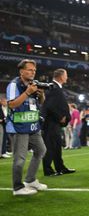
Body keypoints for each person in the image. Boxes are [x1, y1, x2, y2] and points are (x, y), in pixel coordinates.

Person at [6, 59, 48, 195]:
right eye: (30, 70)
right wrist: (27, 92)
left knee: (41, 150)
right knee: (19, 159)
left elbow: (40, 103)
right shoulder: (14, 85)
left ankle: (30, 180)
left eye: (34, 70)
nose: (33, 72)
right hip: (19, 126)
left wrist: (41, 95)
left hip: (32, 125)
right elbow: (12, 104)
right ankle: (17, 188)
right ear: (21, 71)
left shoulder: (33, 84)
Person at [41, 69, 76, 176]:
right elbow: (49, 105)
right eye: (66, 75)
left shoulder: (55, 87)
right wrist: (60, 116)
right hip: (52, 123)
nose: (67, 77)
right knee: (50, 146)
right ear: (61, 76)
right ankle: (48, 170)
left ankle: (60, 167)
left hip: (54, 123)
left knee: (56, 146)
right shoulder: (54, 87)